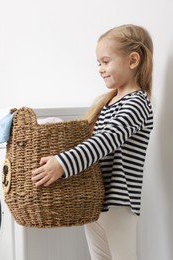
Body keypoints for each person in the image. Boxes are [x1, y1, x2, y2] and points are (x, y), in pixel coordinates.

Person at [31, 24, 154, 260]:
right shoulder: (108, 102)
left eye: (106, 61)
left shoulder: (137, 103)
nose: (100, 69)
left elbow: (104, 142)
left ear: (133, 60)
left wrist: (62, 164)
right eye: (98, 63)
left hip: (119, 200)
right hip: (95, 198)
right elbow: (89, 139)